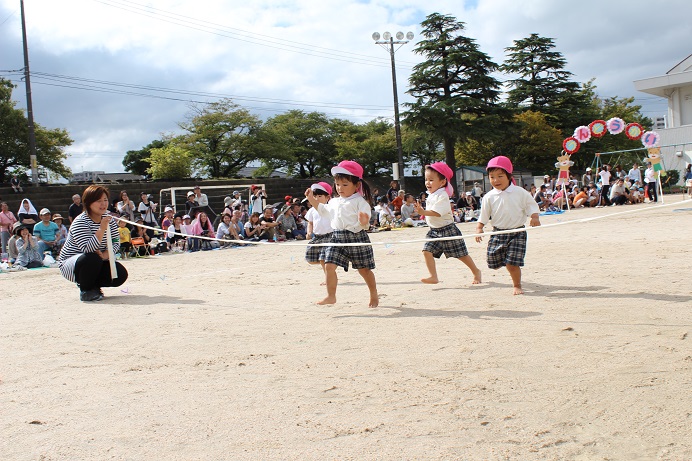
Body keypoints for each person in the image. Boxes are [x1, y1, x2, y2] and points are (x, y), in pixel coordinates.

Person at [304, 160, 378, 308]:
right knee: (329, 265)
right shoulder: (334, 202)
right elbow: (323, 210)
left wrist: (364, 221)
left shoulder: (360, 201)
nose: (340, 188)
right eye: (338, 184)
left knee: (363, 270)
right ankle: (331, 296)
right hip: (336, 237)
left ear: (357, 185)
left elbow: (366, 222)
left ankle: (374, 294)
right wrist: (312, 199)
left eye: (345, 184)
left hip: (356, 237)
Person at [475, 156, 541, 295]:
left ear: (509, 176)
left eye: (500, 176)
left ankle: (517, 285)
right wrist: (479, 227)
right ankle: (509, 262)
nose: (496, 180)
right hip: (498, 233)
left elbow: (531, 205)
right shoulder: (489, 196)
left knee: (512, 263)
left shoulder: (520, 192)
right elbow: (484, 214)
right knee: (492, 261)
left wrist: (534, 217)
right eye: (492, 177)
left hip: (517, 233)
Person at [414, 162, 482, 285]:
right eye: (426, 179)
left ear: (442, 182)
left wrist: (423, 211)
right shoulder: (431, 195)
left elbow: (436, 212)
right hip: (434, 231)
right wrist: (423, 213)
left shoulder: (442, 195)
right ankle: (433, 276)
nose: (427, 182)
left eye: (431, 180)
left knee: (461, 255)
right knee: (426, 251)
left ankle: (476, 271)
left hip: (448, 230)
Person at [57, 185, 128, 302]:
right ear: (88, 203)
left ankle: (94, 286)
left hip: (98, 259)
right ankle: (86, 290)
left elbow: (115, 241)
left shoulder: (108, 219)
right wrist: (101, 229)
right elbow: (87, 248)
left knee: (119, 274)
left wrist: (106, 255)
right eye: (99, 201)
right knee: (92, 258)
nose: (103, 204)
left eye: (105, 200)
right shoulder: (80, 221)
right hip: (74, 263)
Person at [304, 182, 333, 285]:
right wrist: (309, 232)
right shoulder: (312, 210)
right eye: (315, 196)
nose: (316, 198)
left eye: (320, 196)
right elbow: (310, 223)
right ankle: (331, 267)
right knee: (310, 259)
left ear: (327, 197)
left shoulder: (330, 208)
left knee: (323, 259)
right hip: (317, 237)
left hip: (330, 236)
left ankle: (328, 278)